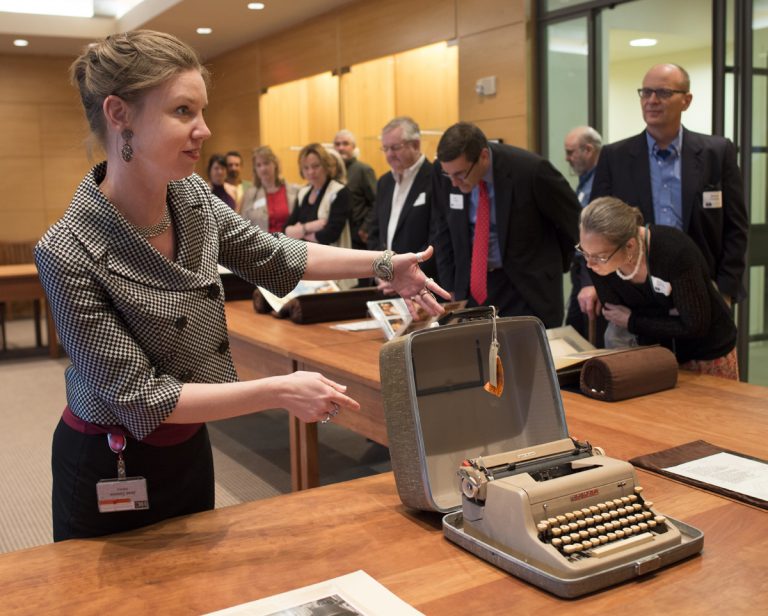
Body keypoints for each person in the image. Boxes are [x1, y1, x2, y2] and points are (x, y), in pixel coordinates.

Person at [35, 30, 448, 541]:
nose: (204, 129)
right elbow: (139, 398)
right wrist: (277, 389)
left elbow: (274, 254)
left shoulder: (190, 198)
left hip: (187, 447)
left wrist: (386, 264)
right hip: (109, 460)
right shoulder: (67, 249)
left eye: (201, 111)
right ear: (119, 114)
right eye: (183, 111)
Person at [589, 63, 748, 326]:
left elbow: (736, 228)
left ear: (686, 100)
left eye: (663, 93)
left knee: (704, 353)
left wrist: (726, 289)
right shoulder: (615, 156)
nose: (651, 100)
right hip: (635, 293)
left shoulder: (717, 153)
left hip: (702, 288)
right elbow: (595, 227)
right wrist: (590, 282)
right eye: (646, 92)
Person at [430, 121, 581, 327]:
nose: (454, 183)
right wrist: (450, 287)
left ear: (483, 156)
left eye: (460, 174)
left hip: (527, 289)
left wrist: (555, 266)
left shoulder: (531, 171)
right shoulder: (446, 173)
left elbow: (574, 223)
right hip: (473, 288)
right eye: (448, 175)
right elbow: (442, 231)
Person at [578, 196, 737, 379]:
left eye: (599, 257)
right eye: (584, 252)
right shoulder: (597, 259)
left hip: (704, 353)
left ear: (630, 246)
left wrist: (633, 320)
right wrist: (669, 314)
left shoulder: (675, 251)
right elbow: (615, 313)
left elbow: (695, 326)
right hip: (653, 355)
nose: (590, 264)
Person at [367, 116, 437, 288]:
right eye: (385, 148)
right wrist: (381, 271)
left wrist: (406, 275)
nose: (389, 154)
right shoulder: (384, 182)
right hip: (387, 282)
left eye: (395, 147)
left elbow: (436, 238)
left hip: (423, 282)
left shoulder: (435, 179)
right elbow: (375, 232)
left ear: (416, 145)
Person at [563, 126, 603, 338]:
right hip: (580, 269)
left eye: (570, 152)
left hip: (594, 272)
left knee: (583, 334)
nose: (567, 158)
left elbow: (597, 235)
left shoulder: (601, 182)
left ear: (588, 149)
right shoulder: (584, 182)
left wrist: (589, 282)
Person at [333, 129, 376, 249]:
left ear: (353, 147)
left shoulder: (363, 170)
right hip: (336, 233)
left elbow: (377, 202)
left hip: (357, 235)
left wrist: (365, 227)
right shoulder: (331, 172)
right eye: (337, 144)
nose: (341, 148)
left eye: (345, 143)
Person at [240, 146, 299, 233]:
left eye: (266, 163)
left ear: (275, 164)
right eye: (258, 165)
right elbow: (244, 224)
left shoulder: (294, 191)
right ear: (255, 169)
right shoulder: (250, 194)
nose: (263, 168)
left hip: (288, 240)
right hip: (261, 240)